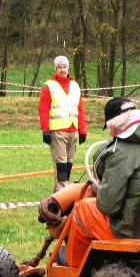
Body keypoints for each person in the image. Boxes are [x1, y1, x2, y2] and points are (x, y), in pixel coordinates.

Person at [64, 97, 140, 267]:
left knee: (83, 209)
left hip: (135, 231)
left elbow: (108, 206)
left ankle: (73, 270)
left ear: (114, 126)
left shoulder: (121, 149)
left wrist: (101, 189)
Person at [38, 55, 88, 192]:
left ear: (68, 68)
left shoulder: (75, 86)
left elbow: (80, 109)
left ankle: (59, 196)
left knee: (68, 165)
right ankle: (62, 195)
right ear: (56, 69)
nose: (62, 69)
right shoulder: (49, 86)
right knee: (61, 166)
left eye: (64, 67)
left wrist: (82, 130)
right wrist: (45, 130)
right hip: (57, 131)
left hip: (73, 131)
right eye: (59, 67)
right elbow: (43, 109)